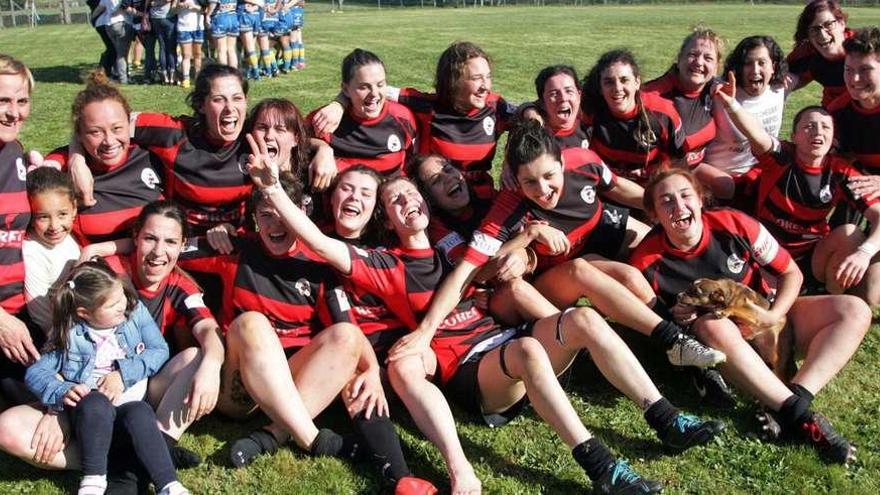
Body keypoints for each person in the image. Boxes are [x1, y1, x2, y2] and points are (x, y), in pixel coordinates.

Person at [248, 133, 726, 495]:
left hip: (505, 338)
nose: (408, 202)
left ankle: (666, 418)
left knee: (583, 320)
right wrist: (275, 192)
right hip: (481, 371)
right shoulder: (387, 266)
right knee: (518, 350)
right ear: (387, 221)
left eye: (412, 195)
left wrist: (526, 240)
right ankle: (601, 466)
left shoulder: (450, 247)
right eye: (395, 202)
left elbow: (479, 272)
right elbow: (323, 244)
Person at [630, 168, 869, 465]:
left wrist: (774, 316)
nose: (678, 206)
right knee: (714, 326)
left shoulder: (734, 222)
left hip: (767, 316)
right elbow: (660, 333)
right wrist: (678, 318)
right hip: (724, 344)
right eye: (666, 201)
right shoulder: (645, 261)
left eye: (685, 195)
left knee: (854, 310)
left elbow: (790, 272)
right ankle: (799, 416)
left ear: (701, 200)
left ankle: (793, 399)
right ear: (654, 215)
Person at [24, 261, 189, 495]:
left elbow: (159, 349)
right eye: (112, 304)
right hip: (91, 416)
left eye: (121, 295)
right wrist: (61, 390)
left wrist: (123, 374)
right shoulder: (70, 333)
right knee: (95, 403)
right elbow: (36, 372)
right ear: (84, 313)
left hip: (129, 404)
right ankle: (94, 479)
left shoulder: (133, 312)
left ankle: (169, 484)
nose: (122, 304)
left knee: (140, 412)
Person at [715, 73, 880, 305]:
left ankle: (828, 297)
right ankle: (784, 291)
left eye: (825, 127)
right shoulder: (781, 157)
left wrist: (864, 252)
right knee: (760, 299)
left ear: (832, 139)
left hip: (811, 254)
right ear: (794, 136)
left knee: (850, 234)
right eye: (809, 127)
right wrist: (732, 105)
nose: (817, 132)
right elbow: (757, 134)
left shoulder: (839, 171)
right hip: (769, 252)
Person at [313, 41, 517, 195]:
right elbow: (372, 90)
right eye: (476, 78)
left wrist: (510, 159)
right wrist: (339, 103)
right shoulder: (425, 106)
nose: (486, 86)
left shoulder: (495, 105)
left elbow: (530, 115)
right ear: (453, 80)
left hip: (483, 198)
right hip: (438, 201)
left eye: (488, 77)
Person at [45, 71, 163, 244]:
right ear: (79, 134)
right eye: (95, 132)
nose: (109, 141)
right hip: (97, 269)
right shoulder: (63, 169)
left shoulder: (153, 155)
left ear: (130, 124)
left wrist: (104, 248)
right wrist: (75, 159)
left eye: (117, 128)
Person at [644, 26, 731, 193]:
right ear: (679, 57)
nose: (699, 62)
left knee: (726, 186)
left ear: (716, 67)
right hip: (661, 174)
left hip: (693, 168)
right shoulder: (654, 97)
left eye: (708, 58)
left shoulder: (714, 89)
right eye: (692, 54)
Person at [704, 35, 788, 204]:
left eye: (762, 63)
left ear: (774, 66)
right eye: (748, 63)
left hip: (758, 174)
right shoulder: (722, 91)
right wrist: (712, 87)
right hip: (720, 177)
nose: (755, 70)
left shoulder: (780, 88)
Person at [581, 49, 686, 185]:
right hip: (607, 189)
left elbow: (680, 159)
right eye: (609, 82)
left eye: (624, 80)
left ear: (637, 82)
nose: (617, 88)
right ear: (600, 87)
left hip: (651, 188)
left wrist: (655, 172)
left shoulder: (662, 113)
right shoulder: (590, 110)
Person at [0, 55, 40, 406]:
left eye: (21, 101)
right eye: (3, 101)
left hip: (19, 312)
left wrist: (72, 155)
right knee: (36, 402)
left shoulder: (13, 152)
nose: (14, 113)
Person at [310, 49, 417, 177]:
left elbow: (415, 161)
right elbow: (295, 139)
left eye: (380, 84)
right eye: (364, 87)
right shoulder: (328, 118)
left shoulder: (402, 117)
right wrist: (322, 148)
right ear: (345, 89)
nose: (374, 94)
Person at [23, 168, 81, 334]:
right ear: (31, 217)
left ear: (74, 209)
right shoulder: (32, 252)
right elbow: (40, 311)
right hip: (62, 332)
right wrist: (66, 340)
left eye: (62, 214)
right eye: (43, 217)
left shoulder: (72, 237)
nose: (54, 226)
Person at [787, 0, 854, 107]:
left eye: (828, 25)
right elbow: (783, 73)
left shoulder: (865, 48)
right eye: (814, 29)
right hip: (832, 114)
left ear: (842, 24)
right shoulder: (808, 53)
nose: (822, 35)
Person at [90, 0, 133, 84]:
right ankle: (123, 78)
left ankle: (112, 74)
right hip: (121, 22)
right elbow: (124, 7)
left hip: (109, 24)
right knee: (121, 54)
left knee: (115, 51)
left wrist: (92, 18)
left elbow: (100, 7)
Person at [174, 0, 205, 89]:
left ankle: (198, 78)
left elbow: (206, 10)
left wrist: (194, 7)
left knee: (198, 54)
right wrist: (180, 6)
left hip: (198, 27)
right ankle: (186, 79)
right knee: (186, 55)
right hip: (184, 28)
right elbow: (172, 11)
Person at [205, 0, 239, 68]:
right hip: (233, 16)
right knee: (231, 49)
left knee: (221, 49)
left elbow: (213, 3)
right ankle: (234, 73)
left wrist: (208, 15)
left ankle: (224, 73)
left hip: (220, 17)